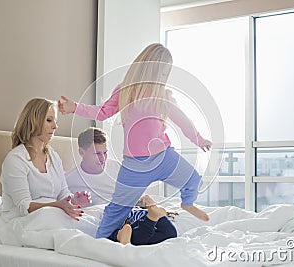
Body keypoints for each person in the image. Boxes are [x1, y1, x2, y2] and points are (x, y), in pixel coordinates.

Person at [58, 43, 212, 240]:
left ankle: (187, 203)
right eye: (162, 73)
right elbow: (103, 112)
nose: (164, 78)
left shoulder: (164, 95)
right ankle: (101, 242)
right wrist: (75, 108)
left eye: (167, 74)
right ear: (148, 68)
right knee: (116, 211)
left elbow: (183, 120)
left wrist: (198, 139)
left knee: (194, 179)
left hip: (164, 157)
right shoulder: (125, 91)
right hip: (134, 165)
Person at [0, 98, 103, 240]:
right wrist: (58, 206)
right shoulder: (16, 159)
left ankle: (114, 233)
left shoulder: (53, 156)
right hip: (23, 221)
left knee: (100, 210)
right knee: (51, 215)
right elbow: (24, 207)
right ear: (34, 121)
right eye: (49, 120)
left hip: (51, 215)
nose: (55, 126)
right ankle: (104, 236)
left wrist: (74, 201)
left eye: (55, 121)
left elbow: (63, 193)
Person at [66, 127, 177, 245]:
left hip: (132, 211)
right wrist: (75, 202)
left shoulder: (116, 167)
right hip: (110, 218)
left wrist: (145, 201)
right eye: (97, 154)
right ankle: (143, 223)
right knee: (139, 236)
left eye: (105, 153)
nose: (103, 159)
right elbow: (65, 205)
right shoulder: (69, 179)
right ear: (81, 152)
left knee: (170, 232)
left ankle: (137, 227)